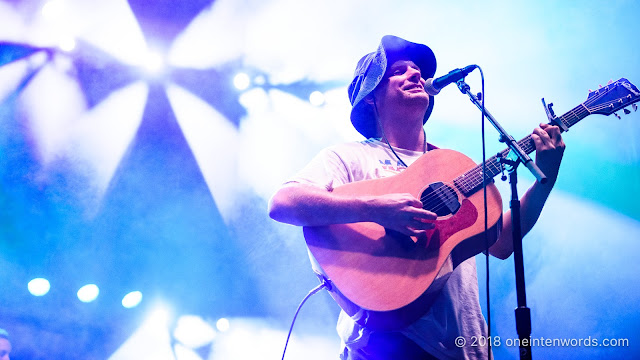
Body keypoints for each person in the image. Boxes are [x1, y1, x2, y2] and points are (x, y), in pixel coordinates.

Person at [268, 35, 565, 360]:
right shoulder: (349, 158)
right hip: (386, 346)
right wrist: (377, 209)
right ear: (371, 97)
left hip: (466, 349)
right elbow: (285, 202)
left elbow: (503, 242)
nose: (415, 75)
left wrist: (545, 177)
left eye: (418, 71)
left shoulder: (454, 166)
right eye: (398, 71)